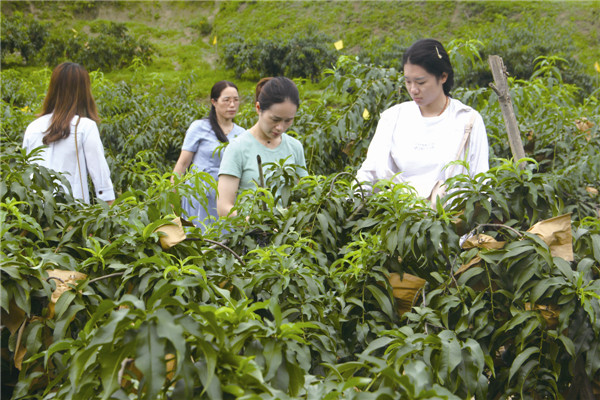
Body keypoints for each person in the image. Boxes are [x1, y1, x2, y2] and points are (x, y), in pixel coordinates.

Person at [356, 39, 489, 200]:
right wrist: (350, 201)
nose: (413, 90)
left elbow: (481, 180)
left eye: (421, 82)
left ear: (443, 76)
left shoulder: (467, 120)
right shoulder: (393, 117)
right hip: (397, 212)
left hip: (450, 213)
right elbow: (369, 173)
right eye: (408, 81)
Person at [23, 62, 115, 205]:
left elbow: (25, 174)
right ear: (84, 91)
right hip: (72, 213)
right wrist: (111, 210)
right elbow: (102, 182)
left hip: (37, 210)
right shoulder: (85, 127)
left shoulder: (33, 127)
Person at [217, 77, 307, 217]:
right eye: (275, 119)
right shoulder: (237, 148)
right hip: (249, 230)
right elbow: (224, 208)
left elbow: (305, 195)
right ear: (258, 108)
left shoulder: (295, 147)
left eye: (288, 120)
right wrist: (257, 224)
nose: (280, 127)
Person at [172, 80, 245, 227]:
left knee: (223, 234)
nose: (232, 105)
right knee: (199, 233)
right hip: (199, 194)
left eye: (236, 100)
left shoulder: (242, 134)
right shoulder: (199, 127)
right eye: (226, 100)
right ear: (214, 102)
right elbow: (183, 163)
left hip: (226, 196)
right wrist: (172, 198)